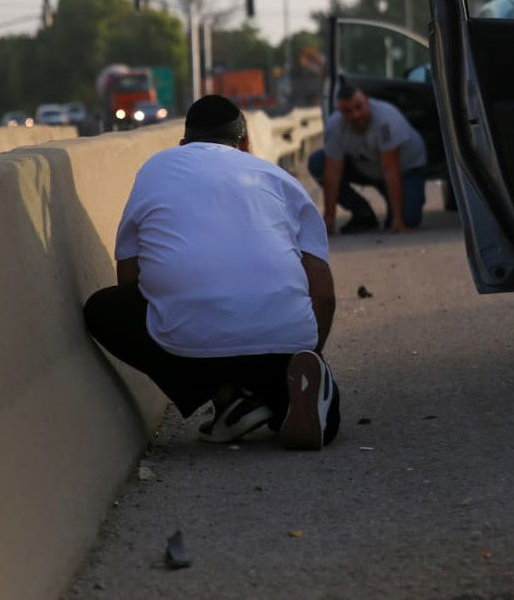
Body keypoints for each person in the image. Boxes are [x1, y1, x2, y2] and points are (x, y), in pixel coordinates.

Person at [83, 95, 340, 450]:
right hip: (279, 340)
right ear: (246, 145)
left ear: (183, 144)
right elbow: (324, 296)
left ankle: (228, 395)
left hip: (188, 346)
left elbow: (129, 278)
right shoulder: (281, 179)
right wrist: (309, 352)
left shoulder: (156, 168)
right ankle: (295, 391)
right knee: (318, 406)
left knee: (103, 309)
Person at [309, 83, 428, 234]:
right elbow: (332, 173)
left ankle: (396, 210)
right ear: (340, 111)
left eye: (359, 107)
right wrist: (329, 217)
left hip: (404, 169)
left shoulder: (386, 120)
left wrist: (398, 219)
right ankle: (362, 212)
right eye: (348, 111)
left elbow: (390, 170)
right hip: (367, 166)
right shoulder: (335, 126)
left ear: (367, 101)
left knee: (409, 219)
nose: (355, 115)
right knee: (318, 162)